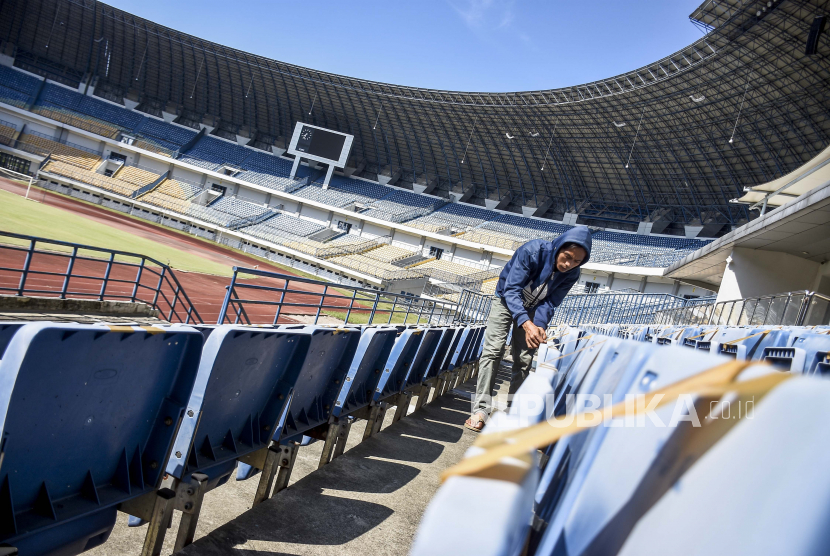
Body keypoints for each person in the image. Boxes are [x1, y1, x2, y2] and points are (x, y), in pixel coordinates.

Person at [465, 226, 592, 432]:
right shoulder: (532, 251)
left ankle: (512, 413)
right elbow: (511, 290)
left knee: (524, 360)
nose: (569, 264)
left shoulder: (572, 274)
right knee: (493, 351)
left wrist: (538, 326)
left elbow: (550, 302)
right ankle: (481, 410)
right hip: (505, 302)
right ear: (559, 247)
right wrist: (526, 323)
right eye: (567, 257)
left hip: (533, 310)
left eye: (576, 261)